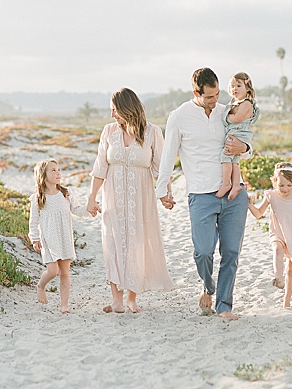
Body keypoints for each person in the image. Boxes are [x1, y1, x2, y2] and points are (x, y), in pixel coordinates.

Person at [155, 67, 252, 321]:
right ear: (196, 92)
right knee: (203, 251)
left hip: (233, 194)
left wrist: (246, 147)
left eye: (218, 94)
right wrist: (162, 188)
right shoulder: (179, 116)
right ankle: (208, 287)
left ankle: (224, 306)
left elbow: (246, 145)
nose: (215, 100)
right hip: (200, 195)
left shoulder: (227, 113)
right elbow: (168, 156)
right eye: (209, 96)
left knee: (231, 252)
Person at [85, 89, 174, 314]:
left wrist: (166, 194)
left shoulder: (152, 132)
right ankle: (116, 298)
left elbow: (160, 169)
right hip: (112, 196)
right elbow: (100, 167)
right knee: (113, 243)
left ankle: (132, 298)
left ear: (127, 108)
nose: (112, 115)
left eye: (115, 110)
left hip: (140, 198)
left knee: (136, 243)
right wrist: (92, 197)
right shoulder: (108, 131)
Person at [247, 162, 292, 308]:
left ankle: (287, 300)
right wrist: (250, 204)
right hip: (277, 233)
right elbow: (258, 214)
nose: (285, 189)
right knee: (277, 250)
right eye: (281, 185)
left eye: (289, 185)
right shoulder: (271, 196)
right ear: (275, 182)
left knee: (291, 268)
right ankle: (278, 278)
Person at [28, 159, 86, 313]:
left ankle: (64, 305)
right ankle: (41, 286)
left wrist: (91, 209)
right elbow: (33, 221)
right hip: (48, 239)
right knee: (53, 271)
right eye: (53, 170)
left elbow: (78, 209)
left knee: (65, 272)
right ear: (43, 176)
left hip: (64, 237)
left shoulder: (66, 193)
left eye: (59, 169)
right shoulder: (38, 198)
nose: (58, 172)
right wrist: (35, 238)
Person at [217, 73, 259, 200]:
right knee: (234, 160)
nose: (234, 88)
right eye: (232, 86)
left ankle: (226, 184)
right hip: (237, 133)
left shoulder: (246, 103)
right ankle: (235, 185)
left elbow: (237, 119)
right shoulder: (236, 103)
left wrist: (225, 116)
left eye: (238, 85)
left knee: (225, 156)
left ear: (247, 88)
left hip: (238, 133)